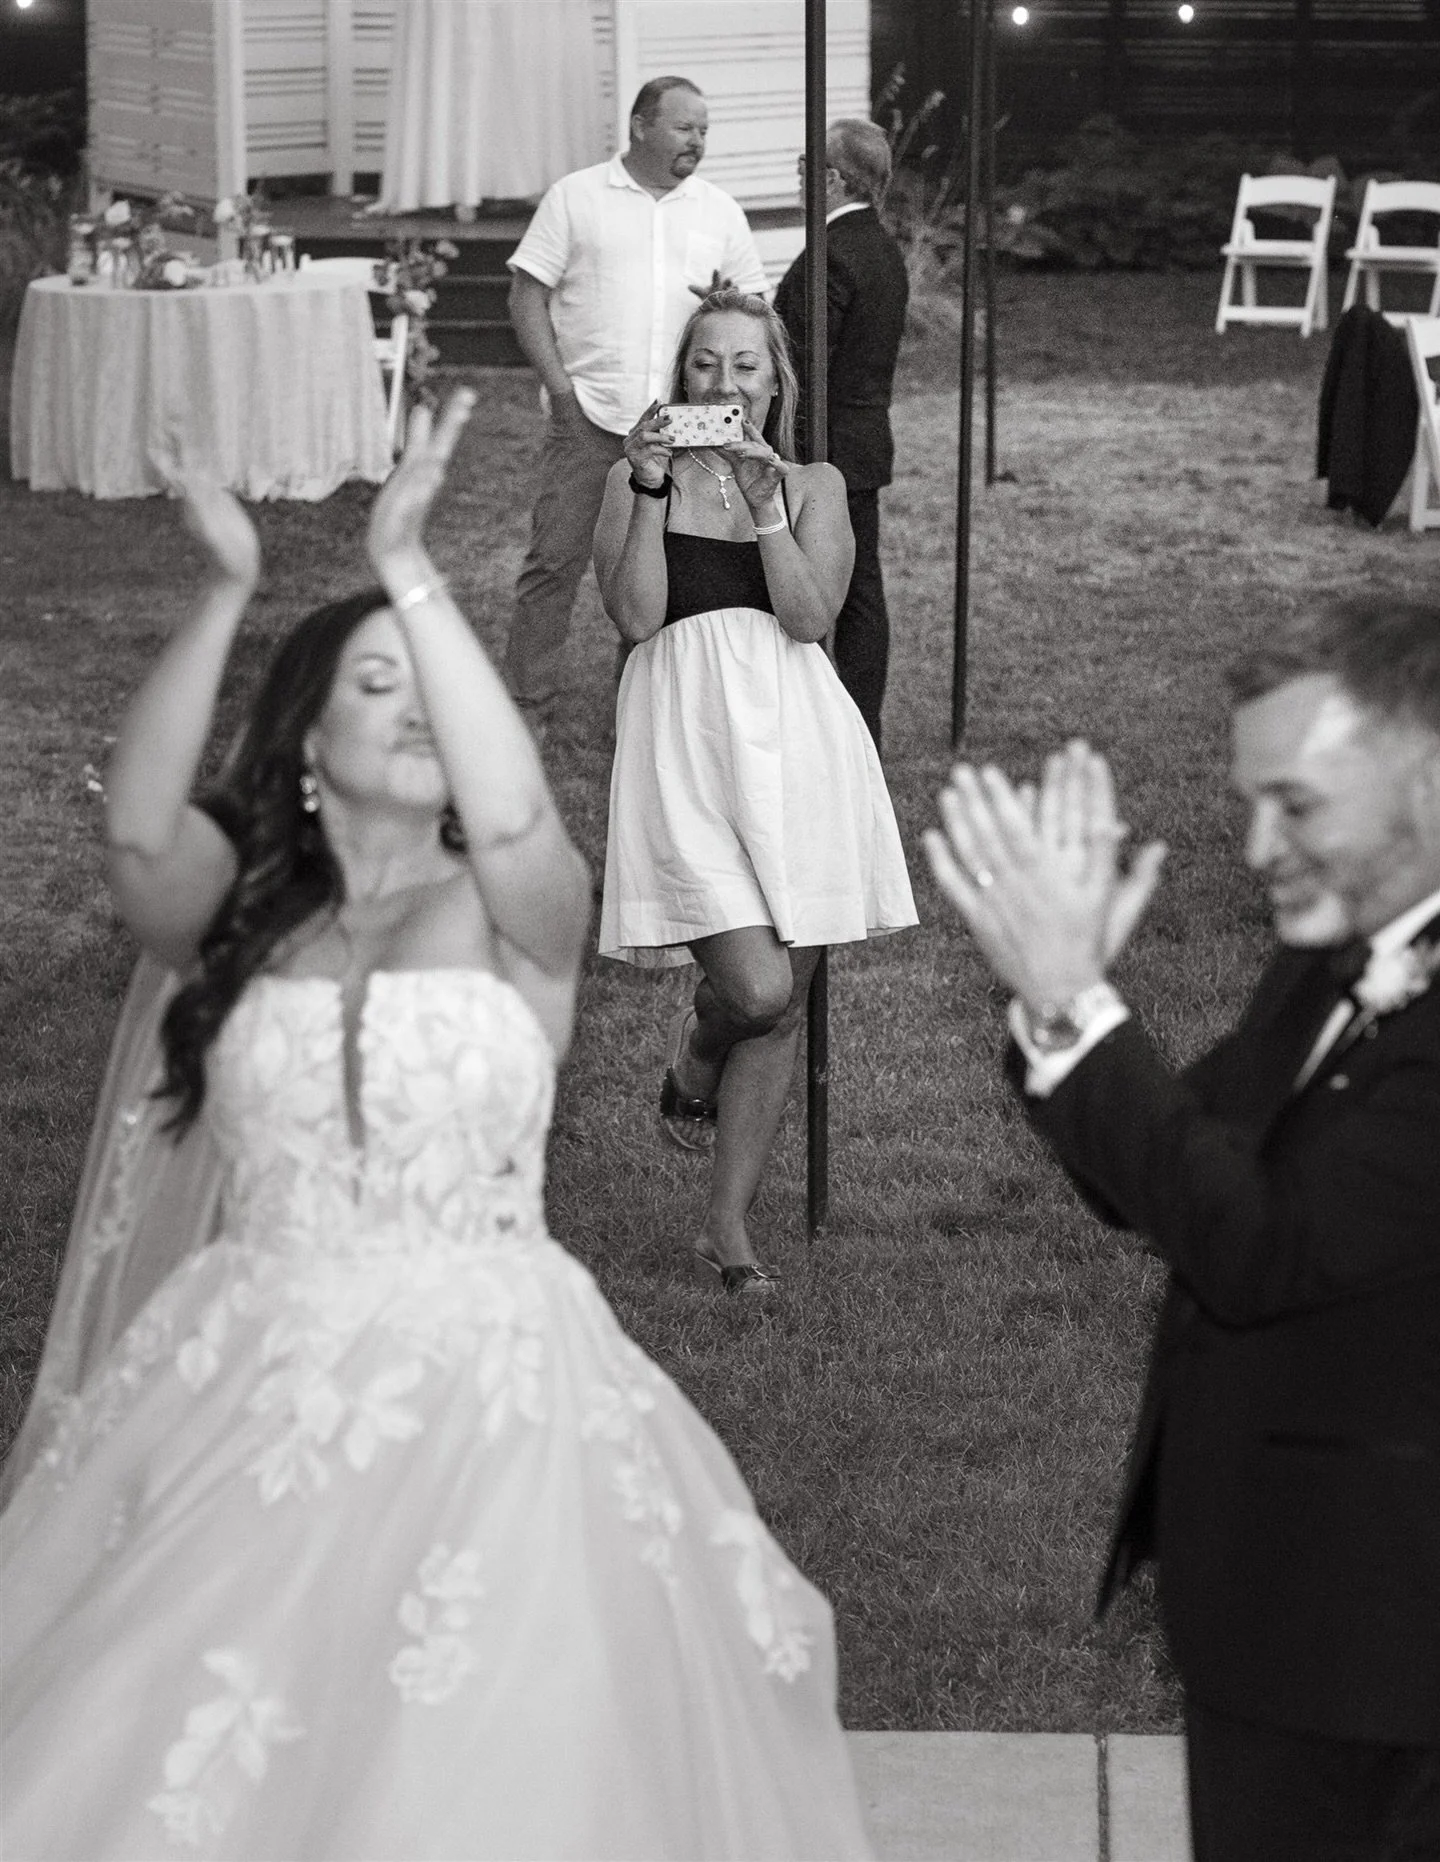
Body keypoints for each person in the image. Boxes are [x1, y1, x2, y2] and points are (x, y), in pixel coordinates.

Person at [0, 393, 876, 1861]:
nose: (411, 704)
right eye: (372, 686)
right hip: (251, 1366)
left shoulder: (512, 914)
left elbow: (525, 818)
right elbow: (141, 840)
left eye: (431, 681)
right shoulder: (245, 920)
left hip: (492, 1385)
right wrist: (223, 588)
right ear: (303, 737)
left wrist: (410, 572)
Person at [923, 603, 1440, 1862]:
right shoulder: (1337, 958)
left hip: (1390, 1660)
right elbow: (1164, 1171)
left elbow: (1262, 1248)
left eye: (1299, 805)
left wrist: (1078, 1008)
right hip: (1294, 1619)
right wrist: (1061, 1023)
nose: (1258, 843)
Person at [593, 290, 917, 1293]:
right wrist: (651, 490)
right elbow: (637, 617)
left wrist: (764, 503)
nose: (722, 384)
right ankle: (697, 1046)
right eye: (703, 366)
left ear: (776, 381)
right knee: (756, 986)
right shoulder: (629, 478)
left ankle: (727, 1230)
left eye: (743, 367)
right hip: (683, 746)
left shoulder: (816, 483)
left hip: (801, 744)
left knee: (785, 1005)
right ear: (679, 377)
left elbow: (813, 617)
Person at [503, 75, 769, 727]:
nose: (698, 141)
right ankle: (526, 704)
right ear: (641, 126)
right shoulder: (577, 197)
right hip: (590, 413)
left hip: (687, 426)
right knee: (554, 561)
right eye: (685, 127)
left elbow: (756, 312)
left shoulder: (719, 212)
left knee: (660, 567)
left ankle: (642, 707)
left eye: (705, 130)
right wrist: (562, 395)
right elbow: (526, 296)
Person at [773, 119, 909, 754]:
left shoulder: (827, 254)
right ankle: (861, 728)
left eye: (806, 165)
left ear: (830, 179)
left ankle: (838, 731)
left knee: (818, 593)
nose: (800, 176)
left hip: (819, 447)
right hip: (863, 440)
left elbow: (801, 359)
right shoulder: (881, 247)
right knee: (861, 594)